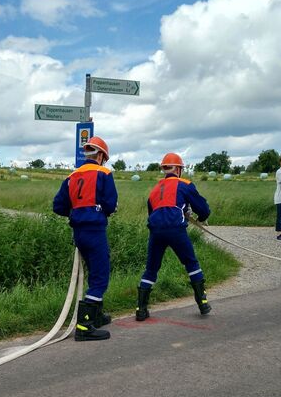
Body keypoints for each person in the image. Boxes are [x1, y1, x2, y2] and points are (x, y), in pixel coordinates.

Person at [53, 136, 118, 341]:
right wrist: (102, 210)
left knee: (93, 272)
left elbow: (58, 206)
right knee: (100, 276)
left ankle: (96, 316)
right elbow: (110, 203)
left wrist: (76, 212)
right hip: (96, 230)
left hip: (79, 232)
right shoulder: (104, 173)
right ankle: (84, 325)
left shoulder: (72, 175)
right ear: (100, 156)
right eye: (104, 159)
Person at [135, 152, 211, 321]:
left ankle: (141, 309)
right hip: (176, 230)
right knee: (191, 263)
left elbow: (153, 211)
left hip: (156, 230)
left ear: (164, 169)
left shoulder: (155, 189)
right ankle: (202, 302)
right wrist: (202, 218)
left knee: (151, 269)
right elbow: (203, 208)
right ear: (178, 169)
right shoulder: (185, 184)